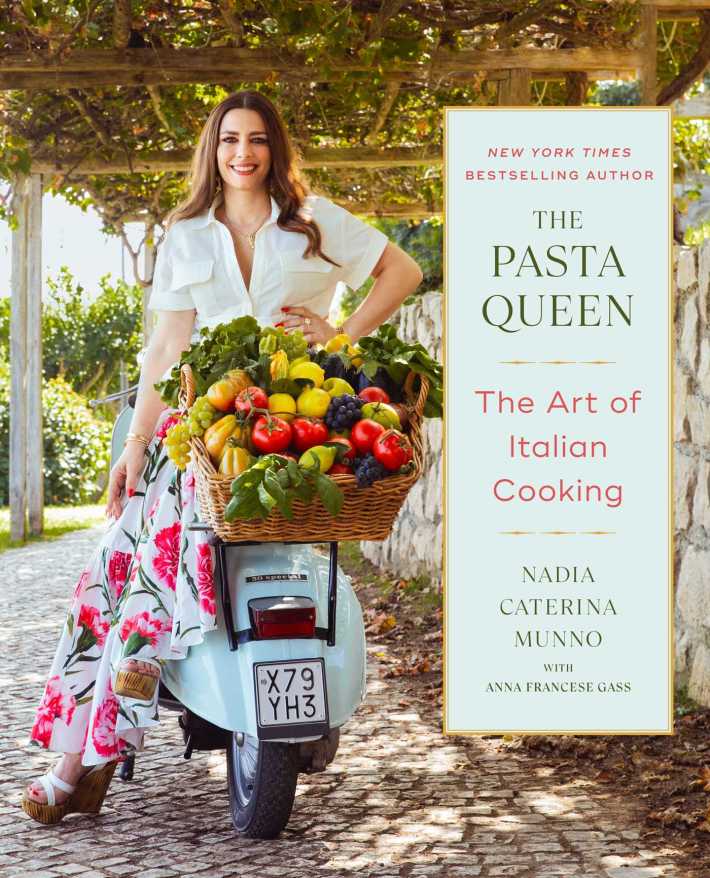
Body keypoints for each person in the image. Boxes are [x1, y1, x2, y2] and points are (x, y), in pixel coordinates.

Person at [22, 89, 423, 824]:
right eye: (230, 139)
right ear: (213, 149)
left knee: (160, 564)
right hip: (201, 432)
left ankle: (91, 754)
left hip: (297, 424)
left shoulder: (314, 223)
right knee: (116, 564)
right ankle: (79, 754)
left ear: (277, 149)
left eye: (258, 139)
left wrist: (339, 339)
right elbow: (166, 350)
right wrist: (135, 450)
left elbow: (402, 273)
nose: (243, 152)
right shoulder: (187, 234)